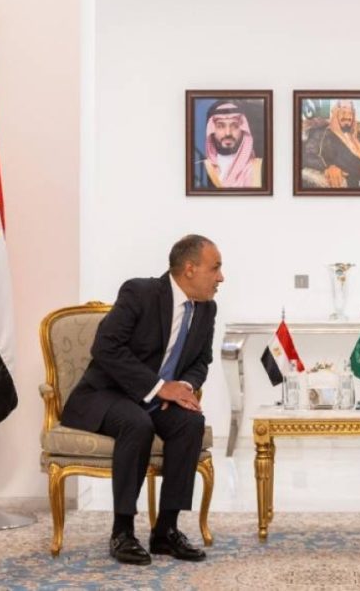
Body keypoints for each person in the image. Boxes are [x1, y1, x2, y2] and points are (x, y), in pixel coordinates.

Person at [61, 234, 222, 565]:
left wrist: (183, 388)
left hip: (155, 398)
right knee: (137, 423)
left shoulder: (207, 309)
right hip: (107, 393)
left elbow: (200, 361)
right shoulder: (140, 293)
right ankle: (122, 532)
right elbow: (106, 347)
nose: (221, 277)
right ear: (189, 269)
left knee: (190, 423)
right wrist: (159, 387)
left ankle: (166, 531)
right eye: (215, 268)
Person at [301, 99, 360, 188]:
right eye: (343, 111)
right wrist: (328, 167)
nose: (347, 116)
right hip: (356, 183)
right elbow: (307, 155)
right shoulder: (323, 133)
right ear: (335, 113)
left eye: (350, 112)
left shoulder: (359, 136)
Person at [194, 100, 263, 188]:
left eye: (235, 126)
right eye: (220, 126)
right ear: (211, 130)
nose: (228, 133)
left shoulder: (260, 168)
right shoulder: (198, 169)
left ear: (244, 130)